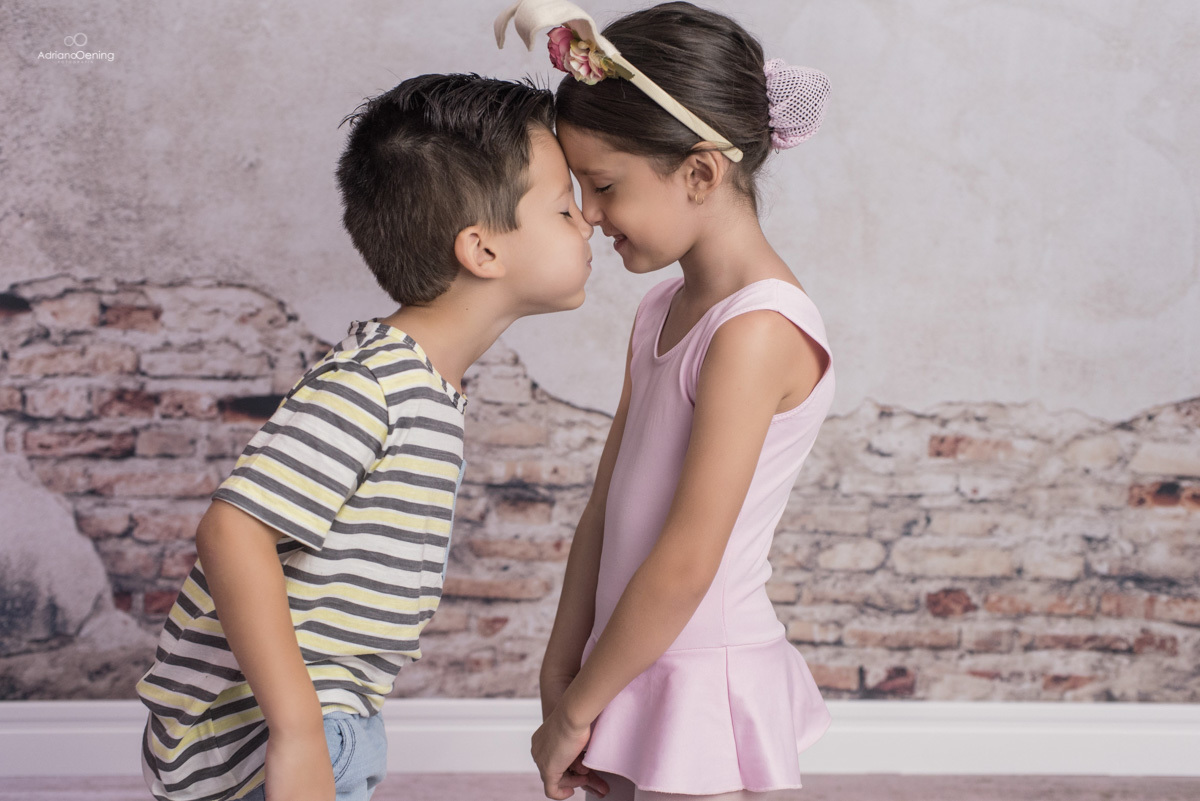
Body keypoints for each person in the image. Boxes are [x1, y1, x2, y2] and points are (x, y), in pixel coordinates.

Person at [135, 73, 594, 801]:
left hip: (328, 716)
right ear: (482, 249)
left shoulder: (420, 384)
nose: (590, 221)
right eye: (566, 209)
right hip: (271, 730)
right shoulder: (372, 383)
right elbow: (231, 531)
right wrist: (298, 731)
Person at [496, 2, 835, 799]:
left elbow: (685, 562)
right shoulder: (660, 311)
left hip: (698, 678)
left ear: (700, 172)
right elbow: (606, 511)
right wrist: (562, 673)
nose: (587, 214)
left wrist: (577, 709)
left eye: (604, 185)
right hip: (631, 660)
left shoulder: (756, 331)